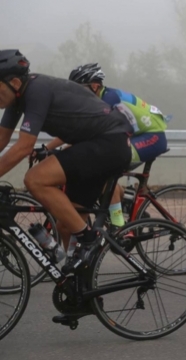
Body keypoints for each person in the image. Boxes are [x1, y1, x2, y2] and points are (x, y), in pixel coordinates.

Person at [0, 50, 131, 275]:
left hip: (109, 143)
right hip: (97, 145)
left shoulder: (37, 90)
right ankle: (80, 284)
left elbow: (24, 147)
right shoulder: (16, 99)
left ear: (14, 82)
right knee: (66, 224)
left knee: (36, 179)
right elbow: (2, 139)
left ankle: (89, 239)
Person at [46, 63, 168, 229]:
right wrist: (48, 148)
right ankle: (124, 201)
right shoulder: (99, 98)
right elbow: (76, 130)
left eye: (80, 88)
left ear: (95, 86)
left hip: (152, 136)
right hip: (134, 135)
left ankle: (118, 224)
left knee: (104, 165)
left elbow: (92, 136)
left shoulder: (107, 100)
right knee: (101, 163)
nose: (76, 94)